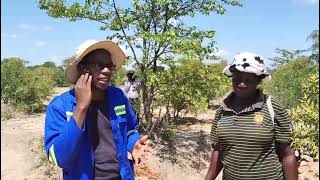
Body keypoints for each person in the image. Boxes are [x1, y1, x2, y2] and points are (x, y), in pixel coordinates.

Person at [44, 40, 151, 180]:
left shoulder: (118, 96)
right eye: (98, 65)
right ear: (83, 69)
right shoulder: (60, 106)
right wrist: (81, 108)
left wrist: (134, 143)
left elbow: (130, 130)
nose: (106, 71)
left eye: (109, 66)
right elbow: (59, 158)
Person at [205, 52, 298, 180]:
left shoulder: (273, 107)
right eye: (237, 79)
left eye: (249, 80)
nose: (241, 84)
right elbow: (218, 150)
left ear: (259, 81)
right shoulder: (222, 109)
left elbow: (288, 154)